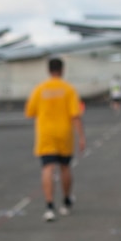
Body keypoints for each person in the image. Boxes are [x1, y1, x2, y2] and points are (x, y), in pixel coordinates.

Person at [25, 57, 85, 222]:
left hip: (46, 134)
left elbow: (30, 112)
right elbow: (75, 115)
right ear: (62, 70)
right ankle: (66, 202)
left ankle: (49, 206)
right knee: (65, 168)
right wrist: (81, 137)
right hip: (64, 134)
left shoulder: (40, 89)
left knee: (47, 168)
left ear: (48, 70)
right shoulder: (68, 89)